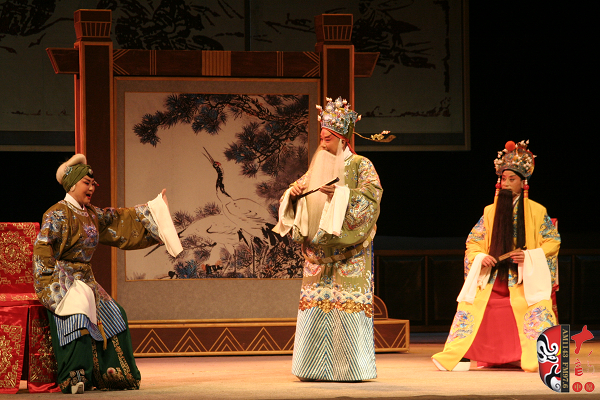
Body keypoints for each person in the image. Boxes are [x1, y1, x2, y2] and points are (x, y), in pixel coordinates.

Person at [33, 154, 182, 394]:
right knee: (77, 313)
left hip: (86, 278)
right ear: (72, 184)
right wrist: (48, 283)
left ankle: (113, 374)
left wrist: (156, 210)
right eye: (86, 183)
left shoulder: (92, 214)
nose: (92, 188)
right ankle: (75, 376)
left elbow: (120, 220)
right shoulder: (56, 213)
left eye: (93, 184)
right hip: (61, 278)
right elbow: (43, 249)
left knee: (115, 314)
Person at [273, 97, 384, 381]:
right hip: (318, 255)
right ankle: (312, 368)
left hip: (350, 255)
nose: (323, 144)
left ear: (342, 139)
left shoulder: (361, 165)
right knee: (316, 308)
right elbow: (298, 190)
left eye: (328, 139)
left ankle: (351, 370)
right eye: (322, 138)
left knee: (346, 308)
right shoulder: (317, 167)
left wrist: (343, 196)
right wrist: (292, 196)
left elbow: (372, 197)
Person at [432, 140, 560, 372]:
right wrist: (481, 257)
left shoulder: (538, 211)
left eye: (512, 179)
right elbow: (473, 241)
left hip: (524, 279)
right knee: (471, 305)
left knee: (534, 307)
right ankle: (460, 356)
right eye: (504, 179)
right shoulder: (490, 211)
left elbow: (553, 241)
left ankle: (529, 357)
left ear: (524, 182)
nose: (506, 184)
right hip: (494, 278)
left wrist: (529, 256)